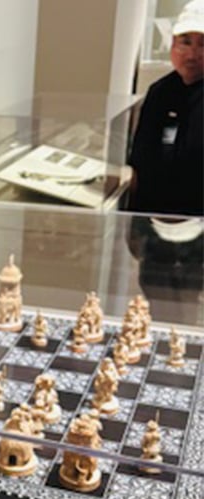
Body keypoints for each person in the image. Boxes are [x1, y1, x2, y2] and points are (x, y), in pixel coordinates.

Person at [125, 0, 203, 324]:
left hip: (199, 237)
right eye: (185, 42)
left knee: (188, 310)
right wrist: (131, 225)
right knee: (155, 304)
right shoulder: (158, 93)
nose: (193, 53)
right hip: (155, 231)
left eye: (203, 44)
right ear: (172, 45)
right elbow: (139, 164)